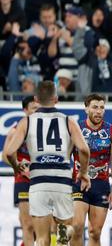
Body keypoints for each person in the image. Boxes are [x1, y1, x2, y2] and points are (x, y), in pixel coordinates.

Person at [4, 81, 91, 246]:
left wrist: (17, 167)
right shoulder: (68, 121)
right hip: (62, 182)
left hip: (38, 183)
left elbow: (8, 153)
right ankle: (63, 236)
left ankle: (58, 237)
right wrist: (83, 172)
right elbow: (84, 150)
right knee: (66, 227)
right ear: (56, 99)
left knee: (42, 238)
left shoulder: (26, 122)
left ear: (36, 99)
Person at [71, 94, 112, 246]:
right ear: (86, 109)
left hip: (101, 185)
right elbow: (65, 157)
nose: (98, 111)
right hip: (78, 183)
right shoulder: (76, 129)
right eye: (95, 107)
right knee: (77, 226)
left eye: (101, 107)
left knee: (95, 232)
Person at [1, 97, 40, 246]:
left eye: (39, 108)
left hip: (42, 180)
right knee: (27, 224)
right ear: (25, 110)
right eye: (34, 108)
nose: (37, 111)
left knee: (45, 226)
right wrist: (20, 167)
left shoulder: (46, 130)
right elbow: (5, 156)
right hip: (23, 181)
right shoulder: (16, 130)